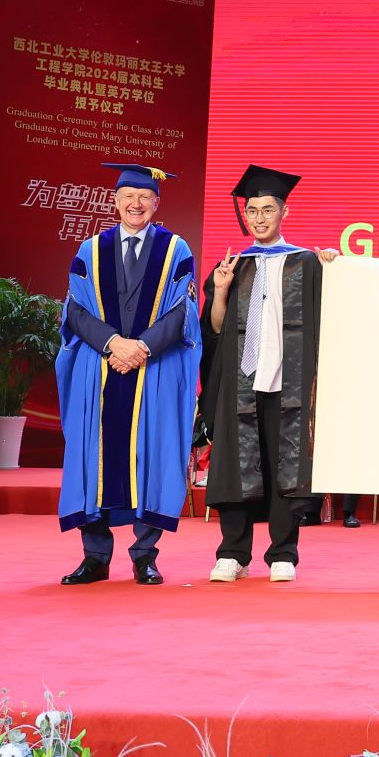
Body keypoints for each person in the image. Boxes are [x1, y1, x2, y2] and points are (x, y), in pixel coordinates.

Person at [56, 163, 200, 586]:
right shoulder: (90, 250)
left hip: (151, 369)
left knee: (152, 455)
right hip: (100, 369)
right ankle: (95, 557)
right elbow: (75, 310)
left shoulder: (175, 250)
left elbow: (183, 310)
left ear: (157, 203)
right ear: (115, 202)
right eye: (128, 197)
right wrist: (112, 343)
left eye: (144, 197)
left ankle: (145, 556)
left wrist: (142, 347)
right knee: (91, 456)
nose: (136, 204)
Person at [202, 166, 336, 583]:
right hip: (239, 382)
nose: (259, 218)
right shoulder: (233, 265)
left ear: (284, 212)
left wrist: (335, 268)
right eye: (252, 211)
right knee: (235, 464)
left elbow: (334, 312)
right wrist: (221, 291)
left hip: (287, 381)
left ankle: (283, 553)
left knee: (286, 464)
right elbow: (216, 329)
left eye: (267, 210)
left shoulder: (306, 263)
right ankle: (233, 553)